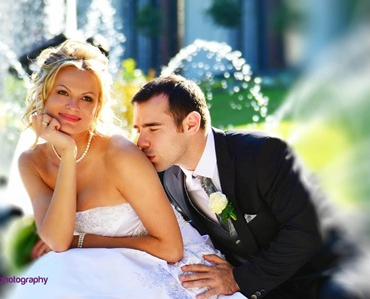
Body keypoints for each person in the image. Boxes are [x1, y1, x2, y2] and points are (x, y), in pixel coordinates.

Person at [7, 40, 246, 299]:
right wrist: (67, 154)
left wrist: (84, 241)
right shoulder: (32, 162)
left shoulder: (120, 154)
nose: (73, 107)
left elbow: (171, 249)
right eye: (62, 93)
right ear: (44, 94)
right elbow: (58, 241)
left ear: (97, 107)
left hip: (168, 266)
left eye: (86, 98)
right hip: (104, 265)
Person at [131, 74, 365, 299]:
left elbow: (306, 231)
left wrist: (238, 279)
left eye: (153, 129)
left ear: (191, 123)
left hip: (327, 272)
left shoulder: (264, 154)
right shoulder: (168, 180)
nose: (140, 142)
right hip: (270, 288)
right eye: (138, 130)